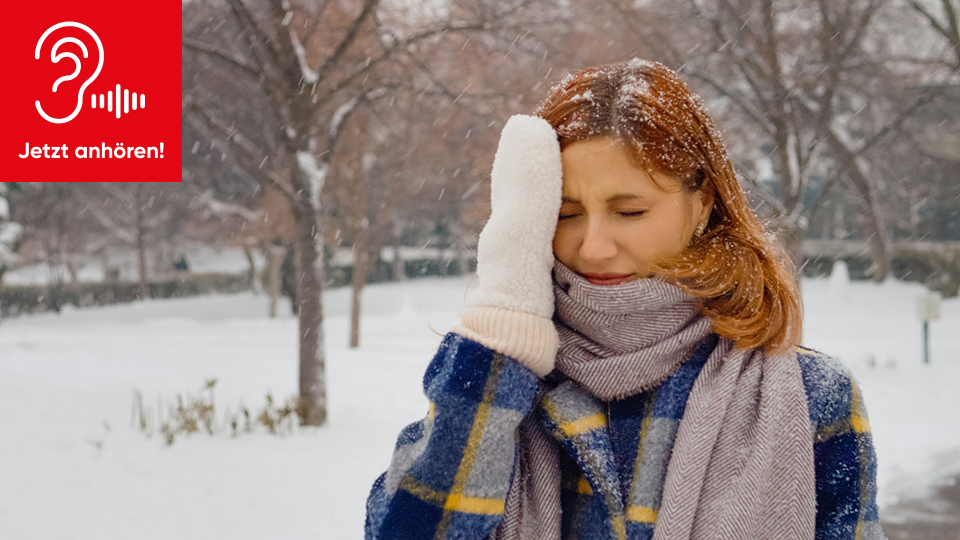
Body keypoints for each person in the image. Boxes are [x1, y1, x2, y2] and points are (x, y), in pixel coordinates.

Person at [365, 59, 884, 540]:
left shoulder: (813, 398)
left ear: (702, 205)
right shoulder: (498, 382)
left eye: (630, 211)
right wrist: (504, 324)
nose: (594, 246)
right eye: (566, 214)